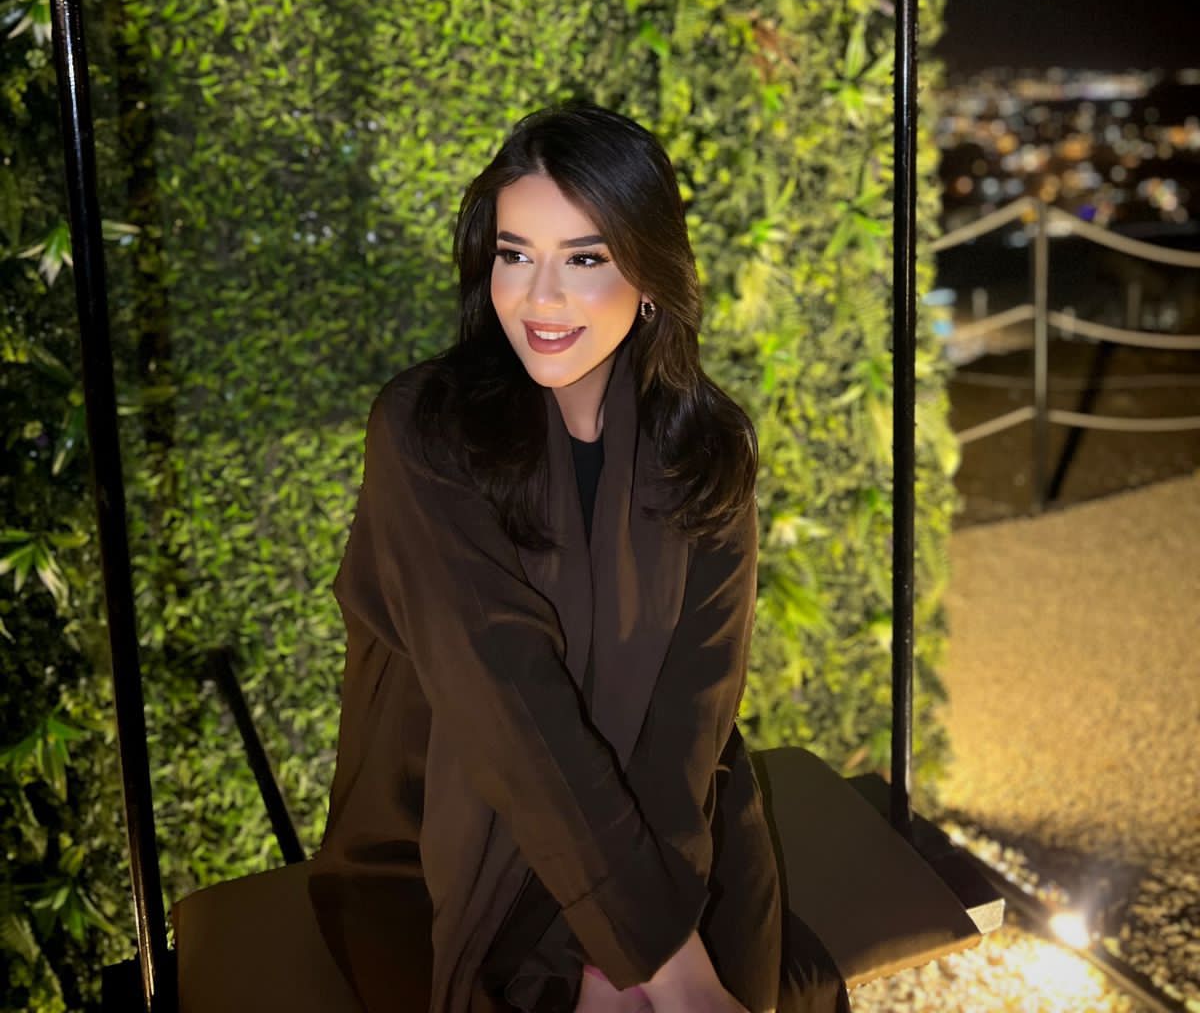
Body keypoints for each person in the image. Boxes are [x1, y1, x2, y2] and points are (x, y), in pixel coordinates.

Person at [306, 100, 851, 1013]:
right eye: (515, 254)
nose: (539, 298)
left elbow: (694, 712)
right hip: (448, 826)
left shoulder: (706, 447)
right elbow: (505, 698)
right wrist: (658, 959)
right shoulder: (426, 430)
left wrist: (632, 949)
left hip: (672, 826)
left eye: (585, 258)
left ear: (650, 276)